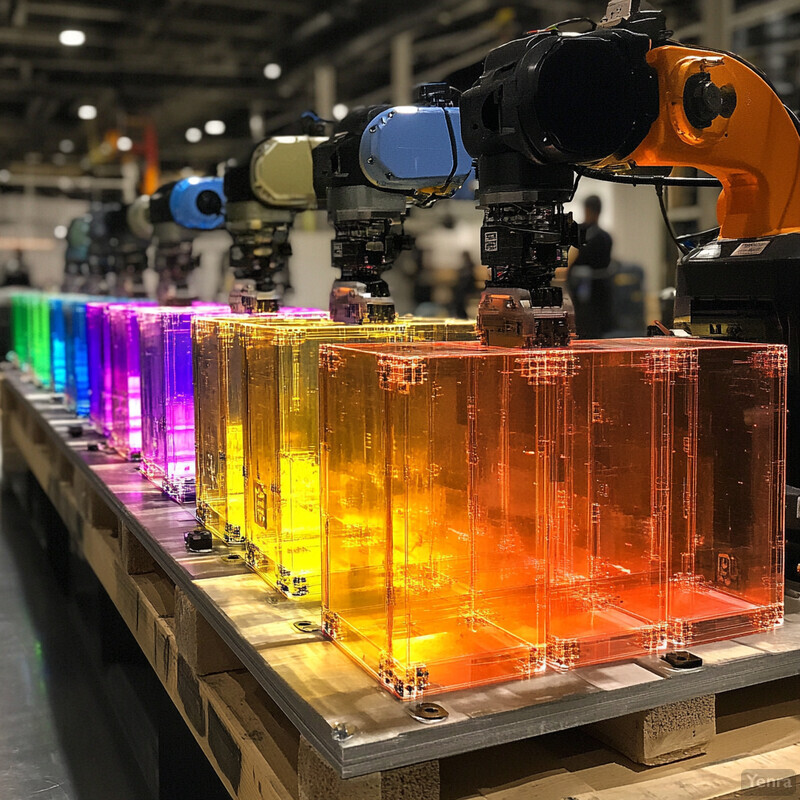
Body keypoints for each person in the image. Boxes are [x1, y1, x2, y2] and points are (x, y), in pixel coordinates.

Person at [568, 195, 614, 338]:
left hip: (593, 290)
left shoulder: (597, 236)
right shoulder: (586, 233)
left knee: (591, 325)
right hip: (585, 288)